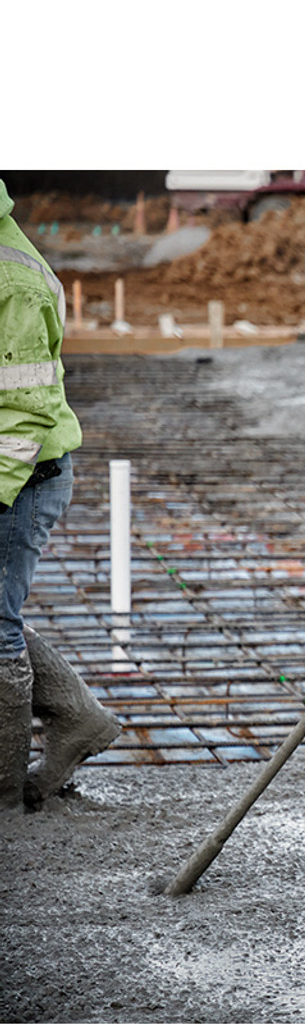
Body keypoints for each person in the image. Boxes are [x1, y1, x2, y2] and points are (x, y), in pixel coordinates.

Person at [0, 179, 121, 813]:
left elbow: (24, 407)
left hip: (20, 479)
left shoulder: (11, 280)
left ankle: (1, 792)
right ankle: (79, 718)